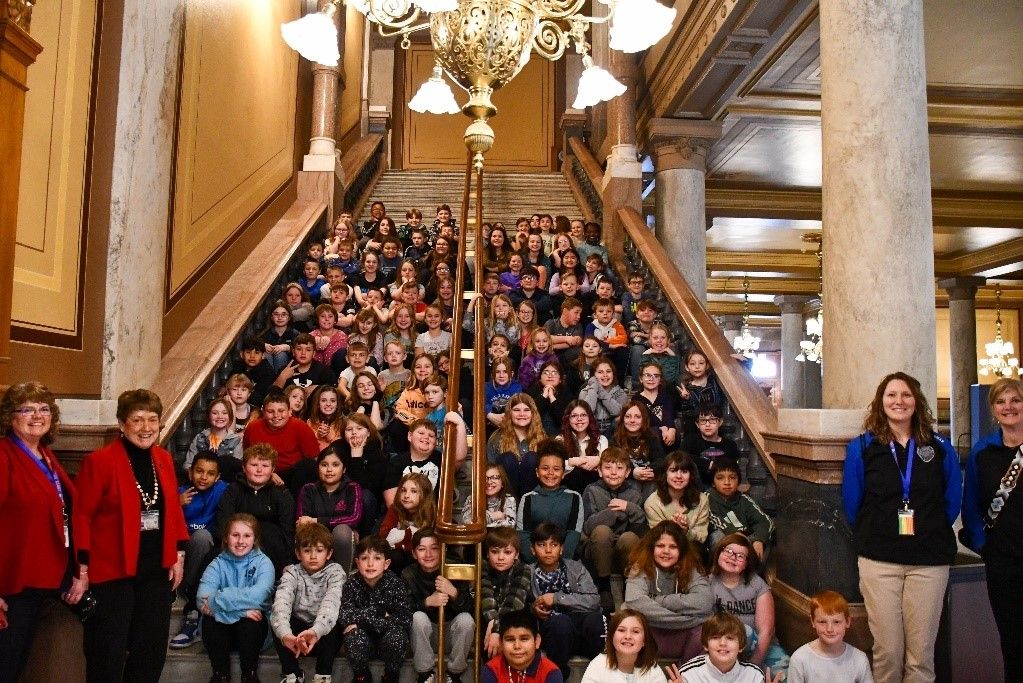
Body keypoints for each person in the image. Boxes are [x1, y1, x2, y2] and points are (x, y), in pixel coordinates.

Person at [842, 372, 962, 683]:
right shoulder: (863, 447)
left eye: (906, 395)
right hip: (879, 559)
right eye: (892, 395)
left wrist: (928, 527)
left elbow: (951, 500)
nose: (899, 401)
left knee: (921, 655)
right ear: (880, 403)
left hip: (929, 560)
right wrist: (878, 528)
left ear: (917, 402)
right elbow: (853, 502)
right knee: (888, 652)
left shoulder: (939, 447)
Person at [74, 389, 189, 683]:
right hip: (112, 572)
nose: (146, 427)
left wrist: (178, 553)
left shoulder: (162, 458)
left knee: (150, 653)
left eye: (153, 419)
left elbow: (172, 510)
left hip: (154, 571)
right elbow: (82, 516)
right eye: (137, 420)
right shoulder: (99, 462)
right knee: (107, 653)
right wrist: (82, 567)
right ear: (122, 424)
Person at [0, 382, 83, 681]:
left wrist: (79, 572)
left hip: (49, 577)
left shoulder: (46, 455)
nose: (38, 415)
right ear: (11, 417)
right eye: (28, 409)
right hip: (14, 583)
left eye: (44, 409)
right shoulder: (5, 455)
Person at [961, 377, 1023, 678]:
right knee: (1012, 641)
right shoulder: (982, 453)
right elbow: (970, 506)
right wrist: (985, 546)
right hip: (1004, 562)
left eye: (1015, 400)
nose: (1008, 407)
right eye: (1001, 401)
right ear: (993, 408)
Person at [197, 513, 275, 683]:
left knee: (251, 622)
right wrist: (241, 612)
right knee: (211, 621)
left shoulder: (264, 563)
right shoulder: (216, 563)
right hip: (221, 634)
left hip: (254, 634)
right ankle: (220, 676)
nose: (240, 541)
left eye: (247, 536)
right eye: (235, 535)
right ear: (226, 538)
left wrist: (220, 598)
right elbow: (201, 599)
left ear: (255, 539)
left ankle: (249, 676)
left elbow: (258, 596)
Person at [624, 521, 714, 662]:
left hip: (680, 636)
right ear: (652, 548)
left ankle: (683, 675)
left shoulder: (691, 568)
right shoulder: (640, 567)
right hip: (650, 636)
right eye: (660, 546)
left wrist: (659, 601)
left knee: (707, 632)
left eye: (673, 546)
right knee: (629, 622)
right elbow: (635, 603)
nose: (666, 551)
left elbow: (704, 601)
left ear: (681, 550)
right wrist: (691, 619)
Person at [271, 522, 347, 683]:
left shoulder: (336, 572)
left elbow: (331, 603)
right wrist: (285, 634)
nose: (313, 556)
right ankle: (292, 673)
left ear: (328, 553)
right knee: (278, 617)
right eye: (307, 551)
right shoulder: (292, 572)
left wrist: (315, 631)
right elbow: (281, 602)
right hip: (295, 639)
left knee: (335, 620)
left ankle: (322, 675)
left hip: (321, 634)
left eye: (319, 551)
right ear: (298, 554)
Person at [527, 522, 605, 679]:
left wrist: (556, 598)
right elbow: (519, 606)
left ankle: (600, 673)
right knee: (561, 622)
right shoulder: (527, 572)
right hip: (552, 632)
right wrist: (533, 609)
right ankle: (558, 674)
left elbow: (593, 601)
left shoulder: (576, 568)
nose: (548, 550)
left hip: (581, 629)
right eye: (541, 545)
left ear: (561, 549)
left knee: (596, 620)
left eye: (554, 545)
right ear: (532, 549)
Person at [170, 451, 229, 649]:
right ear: (190, 473)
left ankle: (191, 591)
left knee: (203, 537)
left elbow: (243, 470)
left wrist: (273, 473)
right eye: (199, 471)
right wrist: (175, 505)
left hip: (204, 550)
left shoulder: (222, 490)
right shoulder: (178, 493)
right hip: (180, 549)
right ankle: (183, 587)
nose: (204, 477)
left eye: (210, 473)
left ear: (218, 477)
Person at [403, 528, 475, 683]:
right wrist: (427, 602)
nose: (428, 554)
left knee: (466, 620)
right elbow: (404, 610)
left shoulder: (455, 569)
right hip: (424, 636)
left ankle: (454, 672)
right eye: (422, 549)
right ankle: (425, 673)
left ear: (442, 550)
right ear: (414, 554)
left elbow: (470, 608)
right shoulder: (408, 573)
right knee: (417, 617)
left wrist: (453, 592)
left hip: (451, 634)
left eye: (434, 548)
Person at [709, 534, 788, 675]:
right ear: (718, 553)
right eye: (728, 551)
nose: (732, 557)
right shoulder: (707, 583)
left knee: (786, 674)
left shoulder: (757, 585)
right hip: (723, 647)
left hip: (762, 648)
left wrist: (753, 667)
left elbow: (766, 632)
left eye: (740, 556)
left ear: (746, 563)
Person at [338, 535, 413, 683]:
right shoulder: (350, 584)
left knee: (397, 636)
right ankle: (362, 676)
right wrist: (379, 613)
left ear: (386, 563)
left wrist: (361, 622)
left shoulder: (395, 584)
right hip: (364, 642)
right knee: (353, 637)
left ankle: (390, 676)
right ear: (357, 563)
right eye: (365, 558)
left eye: (377, 558)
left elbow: (405, 619)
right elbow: (345, 616)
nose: (370, 564)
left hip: (388, 641)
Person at [582, 447, 648, 611]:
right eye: (608, 467)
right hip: (597, 546)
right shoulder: (591, 490)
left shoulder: (634, 493)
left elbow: (639, 531)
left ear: (627, 473)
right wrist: (612, 513)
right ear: (599, 471)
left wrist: (629, 508)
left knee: (629, 538)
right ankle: (604, 587)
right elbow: (589, 526)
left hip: (622, 548)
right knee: (602, 531)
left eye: (619, 468)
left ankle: (629, 583)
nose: (613, 472)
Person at [216, 443, 295, 576]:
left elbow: (288, 529)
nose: (259, 470)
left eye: (265, 466)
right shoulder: (233, 490)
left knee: (268, 530)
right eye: (254, 465)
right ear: (244, 467)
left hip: (271, 549)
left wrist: (288, 561)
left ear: (273, 469)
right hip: (236, 544)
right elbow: (223, 522)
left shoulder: (281, 493)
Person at [515, 439, 584, 562]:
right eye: (545, 468)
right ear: (537, 472)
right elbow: (523, 536)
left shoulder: (574, 497)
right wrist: (536, 564)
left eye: (556, 469)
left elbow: (573, 535)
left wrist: (559, 565)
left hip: (565, 563)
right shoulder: (528, 498)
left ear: (563, 473)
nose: (550, 473)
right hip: (533, 564)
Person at [242, 392, 320, 498]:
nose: (276, 415)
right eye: (270, 411)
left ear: (289, 412)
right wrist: (269, 474)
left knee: (308, 465)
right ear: (263, 412)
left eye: (281, 411)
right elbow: (247, 457)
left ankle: (296, 505)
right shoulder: (252, 428)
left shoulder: (301, 427)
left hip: (292, 476)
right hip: (261, 472)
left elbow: (314, 458)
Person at [297, 447, 362, 570]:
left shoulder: (352, 488)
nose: (329, 470)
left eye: (335, 465)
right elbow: (303, 522)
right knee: (306, 531)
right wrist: (312, 523)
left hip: (344, 542)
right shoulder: (308, 489)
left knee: (342, 531)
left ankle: (342, 579)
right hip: (315, 540)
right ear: (318, 468)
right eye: (324, 465)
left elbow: (353, 518)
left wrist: (316, 521)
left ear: (344, 469)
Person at [787, 590, 872, 683]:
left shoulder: (859, 659)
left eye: (836, 622)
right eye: (822, 622)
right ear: (812, 621)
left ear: (847, 622)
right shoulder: (799, 659)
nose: (830, 629)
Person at [668, 611, 777, 683]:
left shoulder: (754, 675)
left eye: (730, 638)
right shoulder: (687, 674)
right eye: (715, 637)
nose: (723, 643)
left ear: (741, 646)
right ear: (706, 645)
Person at [329, 413, 388, 535]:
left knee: (364, 495)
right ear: (344, 434)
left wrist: (356, 456)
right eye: (349, 429)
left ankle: (362, 538)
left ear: (368, 433)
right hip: (339, 494)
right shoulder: (337, 447)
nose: (354, 433)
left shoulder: (376, 453)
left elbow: (367, 487)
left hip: (366, 503)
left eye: (359, 428)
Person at [480, 527, 533, 659]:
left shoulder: (523, 569)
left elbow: (513, 605)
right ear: (487, 553)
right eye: (495, 552)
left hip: (515, 620)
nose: (501, 557)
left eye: (507, 552)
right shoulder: (483, 567)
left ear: (516, 555)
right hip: (488, 622)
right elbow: (486, 600)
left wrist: (496, 629)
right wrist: (493, 624)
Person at [707, 458, 773, 558]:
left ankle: (752, 572)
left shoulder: (744, 499)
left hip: (746, 540)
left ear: (738, 481)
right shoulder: (707, 498)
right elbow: (714, 519)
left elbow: (765, 521)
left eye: (732, 477)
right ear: (713, 482)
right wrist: (736, 534)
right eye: (720, 478)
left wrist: (758, 540)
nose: (727, 482)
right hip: (725, 539)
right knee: (717, 536)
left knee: (766, 539)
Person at [581, 608, 667, 683]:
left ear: (644, 640)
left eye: (635, 631)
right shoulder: (598, 664)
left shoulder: (652, 669)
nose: (628, 636)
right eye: (621, 630)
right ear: (611, 637)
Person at [644, 450, 710, 545]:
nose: (679, 476)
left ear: (691, 475)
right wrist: (674, 529)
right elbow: (656, 539)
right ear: (665, 474)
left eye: (684, 471)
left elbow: (702, 537)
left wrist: (686, 531)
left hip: (692, 549)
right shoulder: (652, 503)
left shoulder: (702, 500)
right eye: (673, 471)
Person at [486, 393, 546, 498]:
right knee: (508, 458)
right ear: (509, 413)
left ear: (533, 413)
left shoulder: (542, 438)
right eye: (516, 410)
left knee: (531, 458)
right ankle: (512, 507)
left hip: (533, 494)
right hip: (505, 495)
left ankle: (526, 507)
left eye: (526, 410)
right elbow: (491, 469)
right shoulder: (496, 438)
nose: (522, 414)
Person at [481, 609, 563, 683]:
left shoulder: (551, 672)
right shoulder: (491, 670)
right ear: (501, 643)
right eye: (510, 639)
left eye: (524, 639)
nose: (517, 646)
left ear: (537, 641)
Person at [379, 472, 437, 573]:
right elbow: (385, 539)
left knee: (414, 558)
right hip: (399, 557)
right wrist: (410, 533)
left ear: (425, 494)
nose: (406, 495)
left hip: (421, 558)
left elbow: (426, 545)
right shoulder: (395, 509)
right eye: (403, 490)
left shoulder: (431, 512)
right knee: (396, 556)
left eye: (413, 491)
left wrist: (400, 540)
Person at [184, 397, 244, 480]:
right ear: (209, 416)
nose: (220, 416)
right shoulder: (200, 437)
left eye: (224, 413)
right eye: (215, 413)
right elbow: (188, 465)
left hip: (225, 484)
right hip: (201, 482)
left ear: (230, 416)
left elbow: (238, 469)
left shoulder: (236, 440)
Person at [684, 405, 740, 489]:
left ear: (720, 422)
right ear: (697, 424)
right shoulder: (690, 441)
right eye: (703, 420)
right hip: (694, 488)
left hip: (721, 488)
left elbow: (732, 470)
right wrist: (708, 464)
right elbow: (680, 457)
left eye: (712, 420)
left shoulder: (730, 445)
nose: (707, 424)